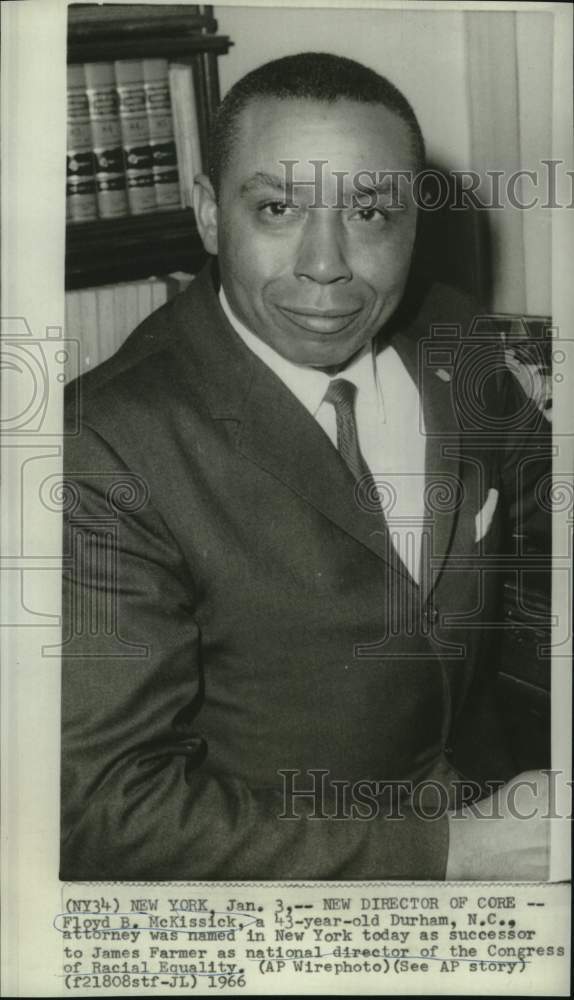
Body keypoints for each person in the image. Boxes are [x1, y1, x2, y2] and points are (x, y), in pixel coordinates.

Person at [60, 53, 551, 881]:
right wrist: (448, 852)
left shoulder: (450, 336)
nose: (325, 264)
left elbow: (549, 501)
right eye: (279, 206)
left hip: (502, 809)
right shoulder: (102, 445)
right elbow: (104, 813)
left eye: (371, 214)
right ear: (212, 215)